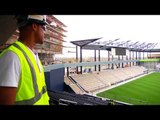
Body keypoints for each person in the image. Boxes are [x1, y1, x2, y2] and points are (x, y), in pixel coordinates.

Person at [0, 15, 50, 105]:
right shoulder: (12, 57)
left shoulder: (33, 55)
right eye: (43, 27)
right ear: (34, 26)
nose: (45, 31)